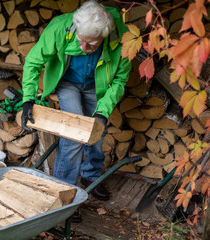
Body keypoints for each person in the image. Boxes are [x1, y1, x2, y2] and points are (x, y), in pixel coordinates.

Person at [21, 0, 131, 202]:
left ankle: (91, 177)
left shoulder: (122, 40)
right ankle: (64, 194)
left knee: (97, 130)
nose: (83, 47)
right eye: (80, 40)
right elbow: (33, 61)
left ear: (105, 35)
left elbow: (120, 80)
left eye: (91, 44)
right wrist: (28, 98)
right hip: (67, 84)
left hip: (95, 86)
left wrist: (102, 112)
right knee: (73, 135)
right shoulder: (59, 28)